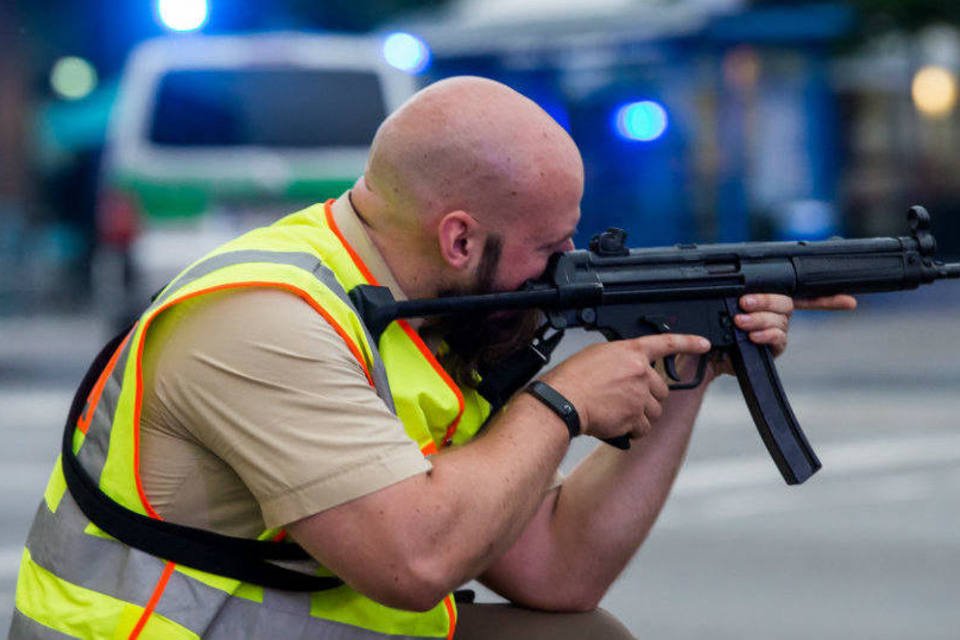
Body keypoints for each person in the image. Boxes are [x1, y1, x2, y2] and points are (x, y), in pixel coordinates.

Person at [11, 76, 855, 640]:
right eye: (551, 246)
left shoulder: (432, 314)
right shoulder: (265, 318)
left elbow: (560, 571)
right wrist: (559, 405)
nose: (566, 270)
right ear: (458, 237)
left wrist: (690, 356)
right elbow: (412, 564)